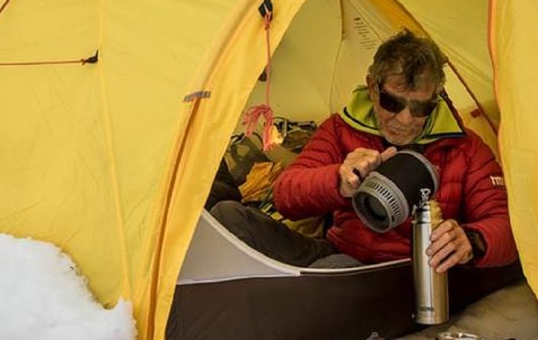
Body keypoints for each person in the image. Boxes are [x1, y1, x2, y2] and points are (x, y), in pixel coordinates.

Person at [210, 29, 516, 273]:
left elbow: (506, 226)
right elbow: (286, 195)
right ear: (372, 88)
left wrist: (472, 240)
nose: (406, 119)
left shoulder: (464, 148)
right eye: (393, 103)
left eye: (421, 107)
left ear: (436, 98)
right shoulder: (342, 129)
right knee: (227, 216)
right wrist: (337, 180)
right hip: (343, 254)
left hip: (413, 273)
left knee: (333, 271)